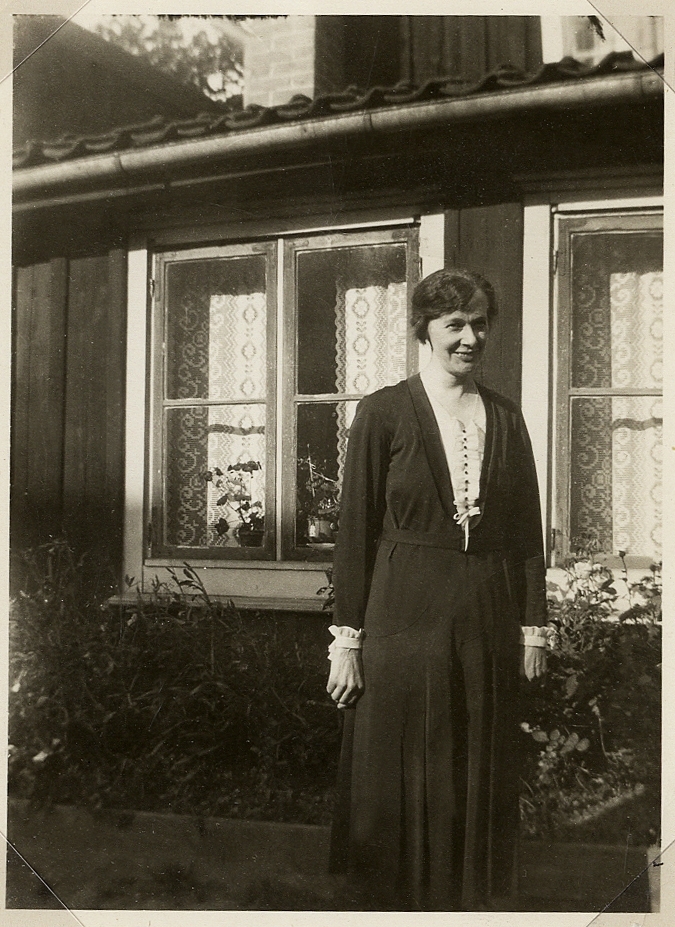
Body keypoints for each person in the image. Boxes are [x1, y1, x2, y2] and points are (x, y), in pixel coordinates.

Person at [326, 268, 549, 911]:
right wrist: (347, 641)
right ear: (423, 330)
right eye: (454, 324)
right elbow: (355, 531)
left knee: (474, 761)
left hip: (484, 614)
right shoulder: (383, 412)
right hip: (402, 613)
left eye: (479, 323)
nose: (470, 338)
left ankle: (468, 906)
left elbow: (525, 532)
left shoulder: (505, 416)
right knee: (401, 763)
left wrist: (533, 627)